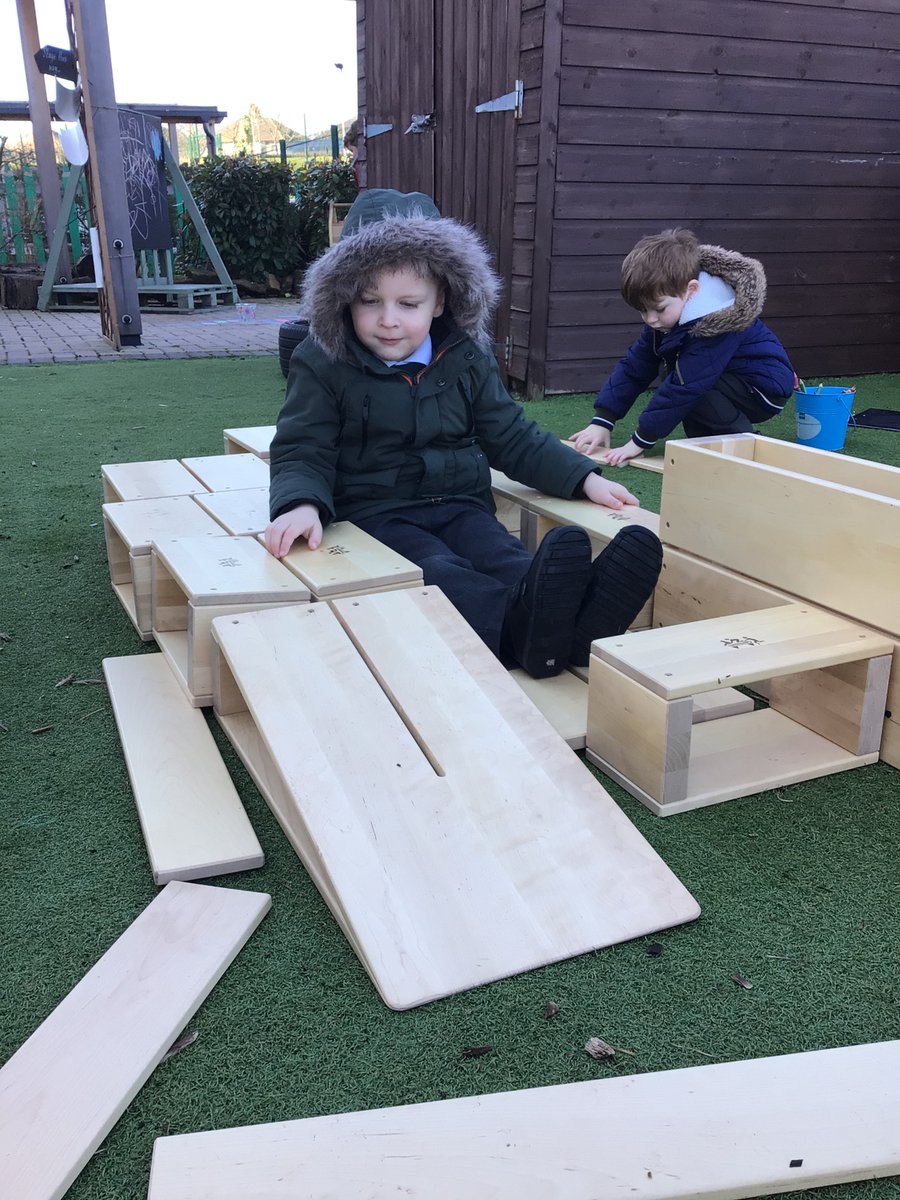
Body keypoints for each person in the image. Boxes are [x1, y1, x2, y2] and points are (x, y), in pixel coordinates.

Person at [266, 188, 662, 678]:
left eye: (408, 303)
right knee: (439, 569)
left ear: (440, 301)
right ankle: (521, 633)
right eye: (370, 301)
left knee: (501, 554)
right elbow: (303, 444)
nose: (389, 320)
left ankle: (574, 622)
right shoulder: (324, 362)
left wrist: (583, 478)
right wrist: (300, 503)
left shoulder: (465, 357)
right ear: (343, 300)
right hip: (376, 512)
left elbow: (510, 434)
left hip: (460, 502)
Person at [570, 228, 796, 465]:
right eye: (642, 310)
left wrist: (640, 441)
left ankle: (743, 444)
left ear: (691, 290)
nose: (651, 319)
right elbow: (635, 365)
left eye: (659, 309)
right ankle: (709, 445)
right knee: (684, 379)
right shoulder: (664, 319)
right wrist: (603, 420)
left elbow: (685, 387)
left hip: (763, 389)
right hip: (728, 378)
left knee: (688, 383)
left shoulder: (716, 321)